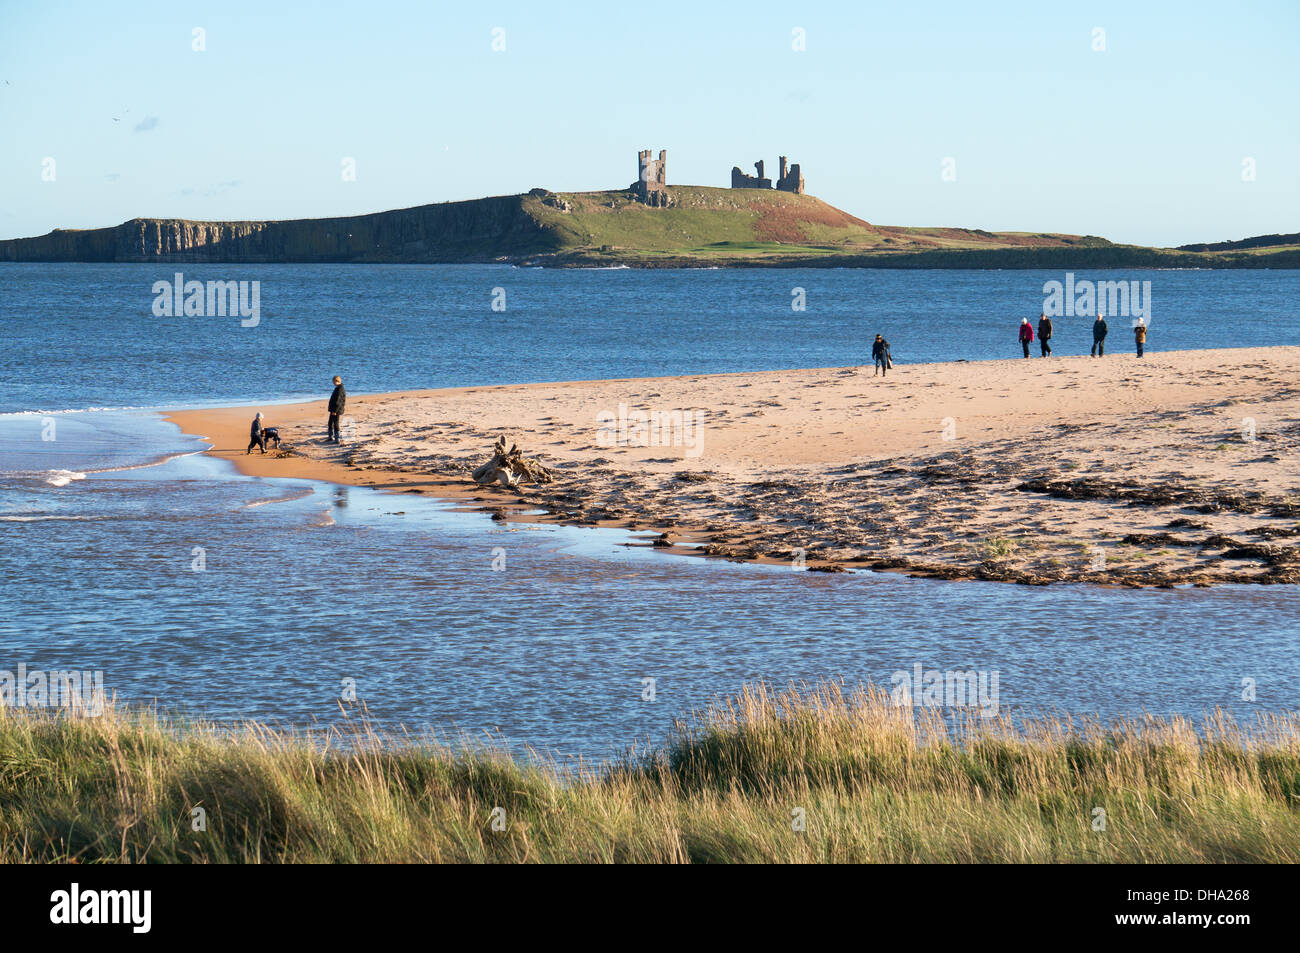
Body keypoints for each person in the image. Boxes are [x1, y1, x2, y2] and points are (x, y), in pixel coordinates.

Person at [327, 375, 346, 443]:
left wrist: (335, 411)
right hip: (334, 409)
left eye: (333, 382)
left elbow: (338, 401)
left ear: (336, 381)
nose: (333, 383)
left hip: (336, 409)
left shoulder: (340, 389)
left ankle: (337, 438)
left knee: (335, 423)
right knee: (330, 422)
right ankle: (330, 437)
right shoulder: (338, 388)